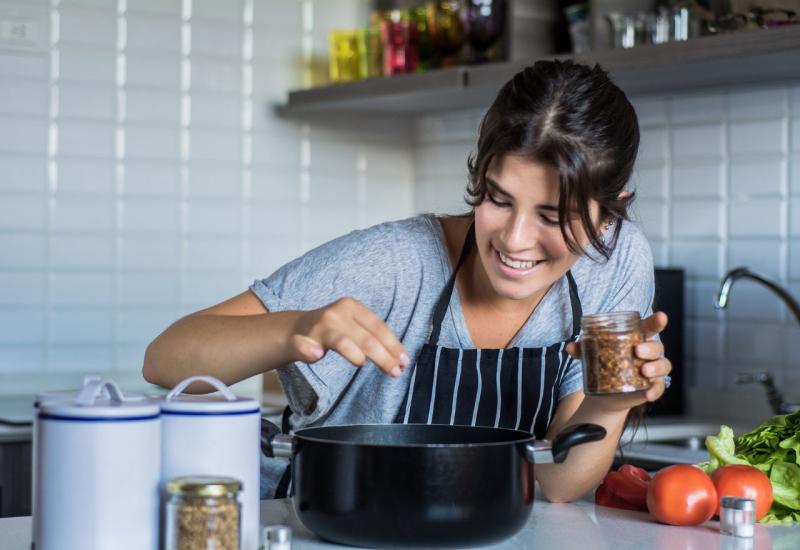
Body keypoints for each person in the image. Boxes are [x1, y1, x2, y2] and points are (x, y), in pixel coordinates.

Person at [143, 59, 672, 502]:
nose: (514, 240)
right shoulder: (399, 260)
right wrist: (295, 328)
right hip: (321, 520)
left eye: (552, 217)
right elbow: (165, 358)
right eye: (497, 199)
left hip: (475, 529)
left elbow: (554, 483)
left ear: (612, 211)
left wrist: (609, 404)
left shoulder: (616, 263)